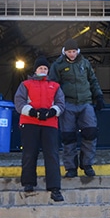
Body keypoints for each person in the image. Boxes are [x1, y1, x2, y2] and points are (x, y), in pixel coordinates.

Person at [49, 38, 105, 178]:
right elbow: (53, 85)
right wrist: (54, 103)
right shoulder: (58, 65)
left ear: (77, 51)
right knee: (68, 136)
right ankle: (71, 168)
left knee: (90, 132)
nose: (72, 54)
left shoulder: (84, 63)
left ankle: (87, 164)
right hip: (67, 103)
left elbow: (92, 80)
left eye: (74, 51)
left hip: (85, 102)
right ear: (64, 51)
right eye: (69, 51)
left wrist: (98, 96)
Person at [13, 55, 66, 201]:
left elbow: (61, 103)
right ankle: (28, 183)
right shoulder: (25, 84)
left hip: (50, 124)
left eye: (45, 68)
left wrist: (51, 112)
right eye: (40, 68)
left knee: (52, 155)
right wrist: (33, 112)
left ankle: (55, 188)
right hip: (29, 123)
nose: (43, 70)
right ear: (35, 70)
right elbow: (19, 102)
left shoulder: (55, 86)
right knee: (29, 154)